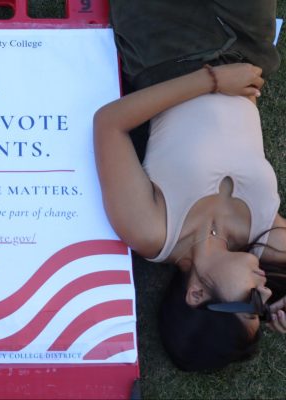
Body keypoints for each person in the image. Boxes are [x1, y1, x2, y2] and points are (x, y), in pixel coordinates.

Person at [94, 0, 286, 370]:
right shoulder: (266, 241)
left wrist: (210, 81)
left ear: (197, 295)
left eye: (250, 305)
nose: (264, 291)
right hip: (248, 45)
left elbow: (108, 124)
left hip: (166, 46)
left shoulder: (153, 233)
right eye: (264, 309)